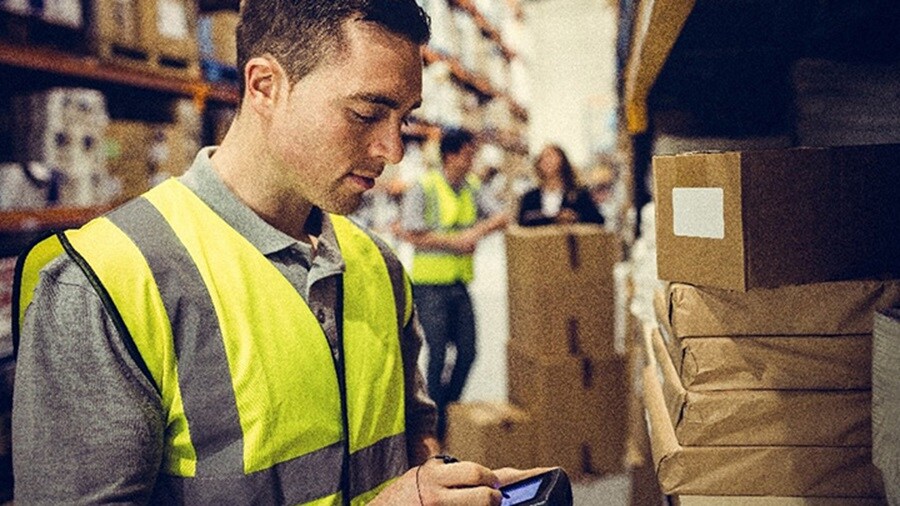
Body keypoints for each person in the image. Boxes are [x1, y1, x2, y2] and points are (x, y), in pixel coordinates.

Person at [11, 2, 540, 504]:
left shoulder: (377, 264)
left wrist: (447, 485)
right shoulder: (107, 283)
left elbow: (411, 434)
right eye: (365, 113)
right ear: (265, 86)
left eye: (402, 118)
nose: (394, 150)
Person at [399, 128, 509, 442]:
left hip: (459, 284)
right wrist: (455, 242)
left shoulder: (472, 186)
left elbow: (501, 216)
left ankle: (446, 411)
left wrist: (475, 233)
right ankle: (435, 428)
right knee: (436, 355)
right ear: (450, 155)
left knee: (469, 352)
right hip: (429, 285)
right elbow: (410, 232)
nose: (472, 160)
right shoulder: (425, 187)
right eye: (468, 154)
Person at [517, 144, 605, 227]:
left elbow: (598, 221)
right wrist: (551, 219)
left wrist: (575, 217)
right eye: (543, 158)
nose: (547, 161)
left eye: (551, 156)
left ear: (562, 161)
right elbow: (523, 222)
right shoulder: (530, 197)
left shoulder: (578, 195)